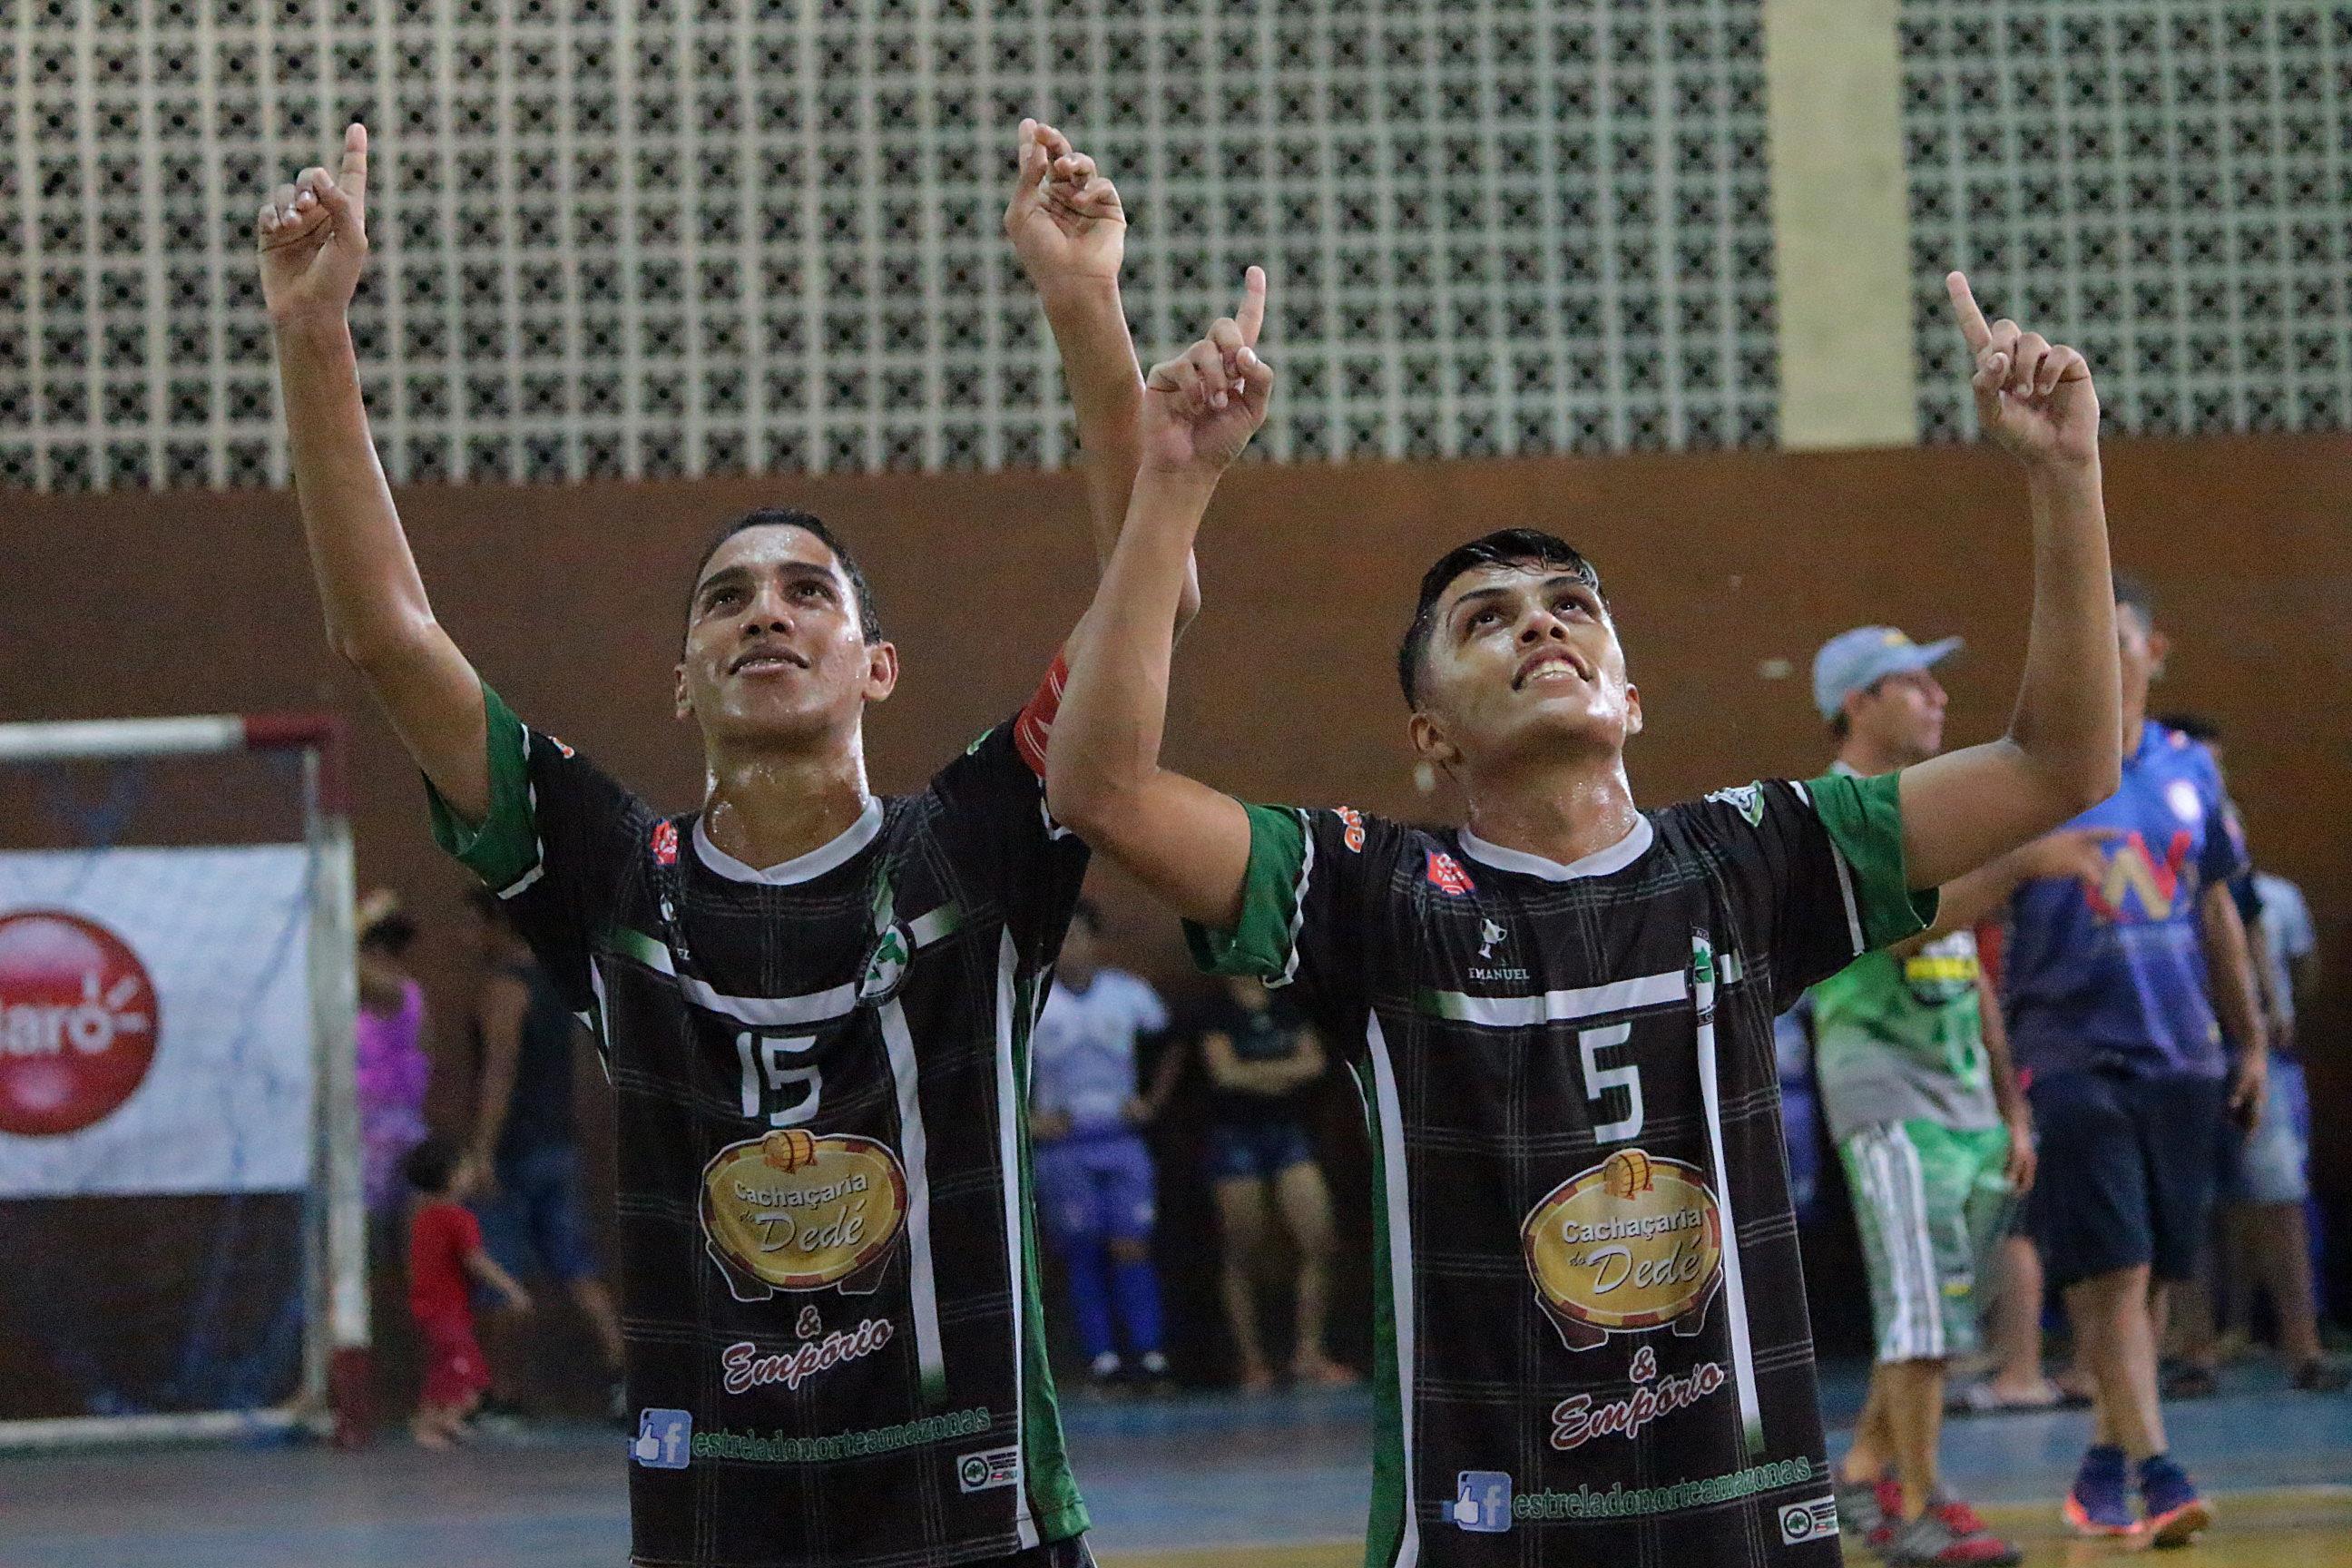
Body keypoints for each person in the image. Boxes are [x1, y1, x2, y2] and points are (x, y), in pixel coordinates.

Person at [1046, 268, 2121, 1565]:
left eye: (1570, 610)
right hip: (1489, 1528)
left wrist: (2066, 476)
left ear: (1631, 692)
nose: (1539, 629)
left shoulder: (1752, 853)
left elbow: (2065, 763)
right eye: (1484, 621)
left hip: (1741, 1525)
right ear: (1428, 734)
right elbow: (1102, 785)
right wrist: (1173, 485)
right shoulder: (1376, 892)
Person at [260, 117, 1214, 1566]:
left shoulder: (978, 842)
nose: (766, 611)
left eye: (806, 592)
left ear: (874, 666)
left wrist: (1087, 303)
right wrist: (315, 333)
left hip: (982, 1527)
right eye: (726, 599)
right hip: (718, 1525)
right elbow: (385, 637)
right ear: (684, 679)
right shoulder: (609, 877)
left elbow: (1155, 596)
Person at [1926, 584, 2269, 1547]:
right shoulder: (2028, 778)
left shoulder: (2189, 771)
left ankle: (2102, 1466)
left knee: (2150, 1276)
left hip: (2182, 1056)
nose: (2097, 655)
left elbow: (2216, 914)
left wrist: (2244, 1042)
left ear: (2154, 649)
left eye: (2113, 638)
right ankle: (2159, 1470)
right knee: (2114, 1274)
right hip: (2071, 1056)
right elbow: (1947, 908)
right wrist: (2023, 866)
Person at [1804, 627, 2033, 1566]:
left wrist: (2011, 1098)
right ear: (1857, 704)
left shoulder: (1927, 808)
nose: (1938, 697)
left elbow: (1964, 959)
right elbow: (1900, 930)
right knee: (1918, 1310)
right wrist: (2024, 858)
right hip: (1884, 1092)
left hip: (1964, 1097)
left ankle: (1863, 1469)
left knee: (1934, 1308)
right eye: (1913, 684)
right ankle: (1926, 1501)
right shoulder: (1829, 812)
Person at [2148, 716, 2344, 1397]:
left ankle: (2304, 1346)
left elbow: (2247, 917)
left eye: (2219, 764)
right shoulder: (2143, 818)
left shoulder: (2222, 831)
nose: (2213, 776)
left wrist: (2262, 1017)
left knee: (2277, 1197)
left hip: (2239, 1048)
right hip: (2175, 1045)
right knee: (2190, 1205)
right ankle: (2197, 1350)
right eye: (2203, 760)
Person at [461, 884, 626, 1420]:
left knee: (499, 1271)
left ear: (496, 924)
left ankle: (505, 1391)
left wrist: (482, 1150)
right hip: (558, 1143)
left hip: (515, 1150)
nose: (465, 938)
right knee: (575, 1266)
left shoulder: (504, 986)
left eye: (471, 925)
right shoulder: (555, 982)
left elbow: (500, 1068)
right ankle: (623, 1373)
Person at [1027, 900, 1175, 1386]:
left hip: (1121, 1137)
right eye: (1061, 939)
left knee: (1131, 1242)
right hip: (1064, 1145)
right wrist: (1030, 1121)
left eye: (1078, 937)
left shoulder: (1127, 994)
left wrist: (1151, 1101)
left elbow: (1172, 1042)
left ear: (1096, 941)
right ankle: (1102, 1359)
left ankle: (1150, 1353)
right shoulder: (1034, 1000)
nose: (1070, 948)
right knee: (1081, 1246)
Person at [1193, 973, 1356, 1392]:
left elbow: (1315, 1063)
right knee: (1242, 1249)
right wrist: (1282, 1074)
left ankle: (1309, 1353)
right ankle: (1252, 1363)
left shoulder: (1289, 1003)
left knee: (1319, 1239)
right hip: (1235, 1137)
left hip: (1289, 1132)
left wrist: (1255, 1075)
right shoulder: (1216, 1012)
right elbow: (1224, 1074)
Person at [405, 1138, 532, 1448]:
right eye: (465, 1169)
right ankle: (441, 1422)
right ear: (449, 1177)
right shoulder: (458, 1218)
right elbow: (476, 1260)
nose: (472, 1174)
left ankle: (433, 1422)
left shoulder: (421, 1216)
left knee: (443, 1367)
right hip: (447, 1309)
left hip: (427, 1305)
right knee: (468, 1371)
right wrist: (511, 1288)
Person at [356, 889, 433, 1227]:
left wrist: (362, 920)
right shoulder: (406, 995)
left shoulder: (394, 990)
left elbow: (344, 958)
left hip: (385, 1136)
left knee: (374, 1234)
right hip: (383, 1127)